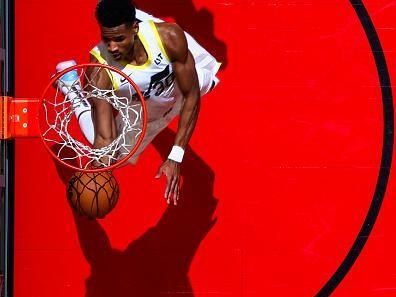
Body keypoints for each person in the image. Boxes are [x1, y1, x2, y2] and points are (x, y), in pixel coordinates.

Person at [57, 1, 220, 206]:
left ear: (134, 28)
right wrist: (96, 179)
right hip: (141, 105)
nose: (112, 47)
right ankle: (71, 88)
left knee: (203, 80)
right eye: (106, 40)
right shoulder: (99, 74)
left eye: (119, 39)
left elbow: (191, 95)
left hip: (176, 83)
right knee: (112, 153)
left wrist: (176, 155)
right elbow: (105, 137)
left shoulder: (168, 37)